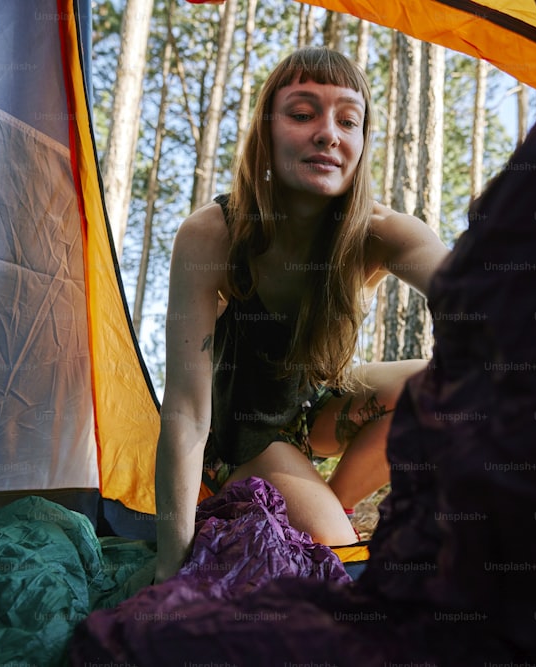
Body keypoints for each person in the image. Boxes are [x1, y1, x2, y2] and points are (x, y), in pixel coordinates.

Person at [153, 47, 450, 583]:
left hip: (314, 408)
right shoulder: (215, 234)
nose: (328, 134)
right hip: (241, 437)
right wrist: (168, 565)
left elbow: (478, 295)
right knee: (337, 567)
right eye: (302, 112)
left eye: (348, 120)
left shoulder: (382, 232)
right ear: (267, 132)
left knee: (445, 386)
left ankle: (319, 506)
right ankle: (310, 514)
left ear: (361, 143)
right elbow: (186, 414)